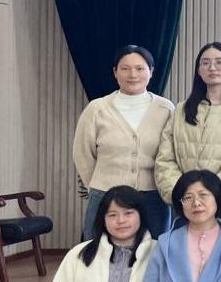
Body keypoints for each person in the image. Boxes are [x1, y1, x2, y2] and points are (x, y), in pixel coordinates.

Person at [72, 45, 175, 238]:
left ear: (151, 72)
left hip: (153, 197)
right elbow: (82, 153)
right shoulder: (97, 108)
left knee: (154, 251)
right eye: (125, 68)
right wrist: (96, 185)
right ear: (115, 72)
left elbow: (172, 153)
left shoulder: (165, 109)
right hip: (105, 194)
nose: (132, 74)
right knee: (98, 250)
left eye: (140, 68)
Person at [155, 42, 221, 227]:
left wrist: (212, 198)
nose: (212, 67)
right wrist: (183, 195)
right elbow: (165, 157)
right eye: (205, 63)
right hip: (185, 206)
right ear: (198, 71)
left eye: (219, 62)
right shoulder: (181, 110)